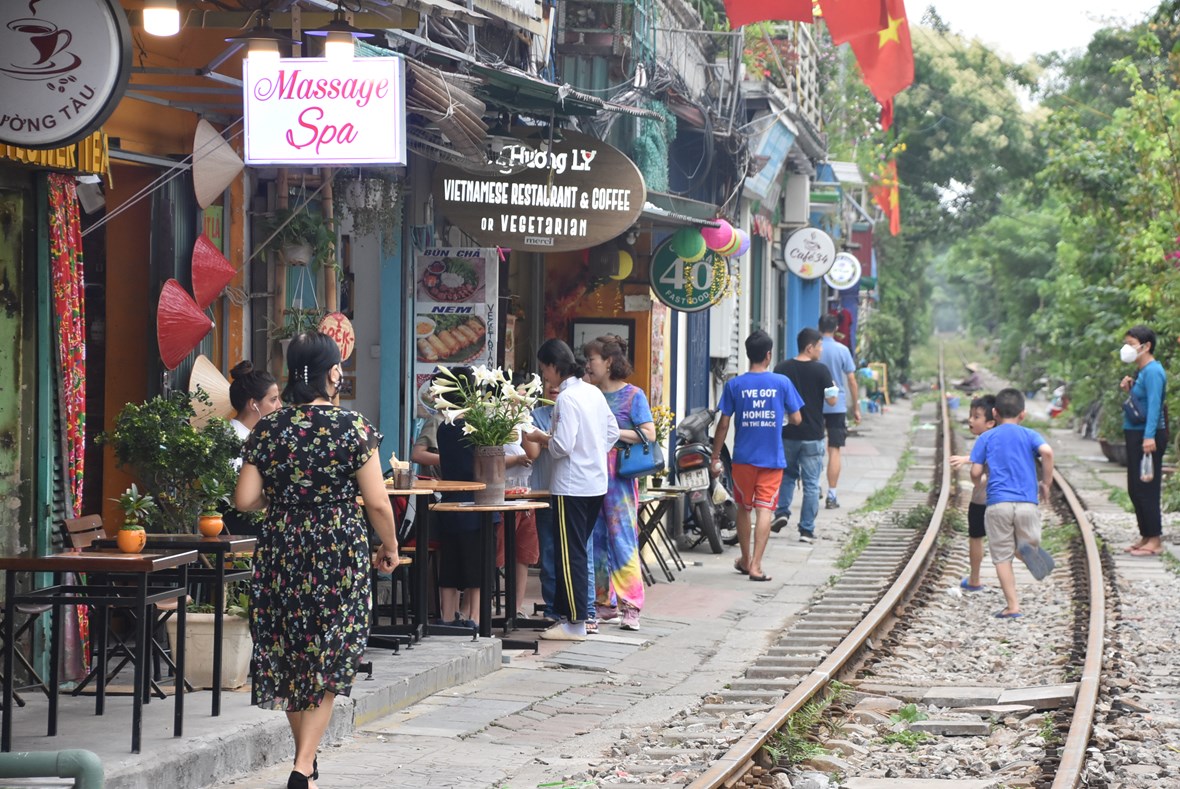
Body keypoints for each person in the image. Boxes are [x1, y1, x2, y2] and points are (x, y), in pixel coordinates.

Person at [233, 332, 399, 789]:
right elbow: (378, 504)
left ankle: (304, 759)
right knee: (329, 655)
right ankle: (303, 765)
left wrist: (284, 497)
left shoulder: (269, 427)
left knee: (290, 656)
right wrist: (391, 548)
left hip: (282, 549)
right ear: (332, 373)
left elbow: (244, 499)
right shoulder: (352, 427)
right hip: (338, 551)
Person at [525, 339, 618, 641]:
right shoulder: (592, 392)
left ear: (554, 366)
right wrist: (592, 451)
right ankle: (573, 618)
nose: (544, 377)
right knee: (577, 550)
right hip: (595, 483)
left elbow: (562, 446)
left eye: (544, 370)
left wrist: (540, 437)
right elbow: (613, 432)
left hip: (571, 486)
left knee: (570, 554)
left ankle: (575, 622)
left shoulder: (566, 399)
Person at [711, 330, 803, 582]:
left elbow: (723, 424)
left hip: (742, 460)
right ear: (769, 355)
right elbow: (797, 418)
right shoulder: (782, 383)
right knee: (765, 510)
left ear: (747, 354)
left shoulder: (735, 385)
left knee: (744, 507)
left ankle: (745, 559)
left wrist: (715, 457)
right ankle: (757, 567)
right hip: (772, 460)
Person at [584, 335, 653, 632]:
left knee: (622, 538)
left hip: (619, 476)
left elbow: (648, 433)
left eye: (592, 359)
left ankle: (631, 605)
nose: (588, 365)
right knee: (596, 538)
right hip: (590, 472)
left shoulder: (633, 395)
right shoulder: (589, 393)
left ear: (608, 362)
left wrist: (614, 432)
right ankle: (604, 602)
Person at [969, 388, 1054, 619]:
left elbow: (976, 471)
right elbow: (1046, 452)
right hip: (1027, 502)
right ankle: (1027, 549)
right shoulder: (1029, 434)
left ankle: (1013, 606)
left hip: (997, 503)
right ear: (1023, 414)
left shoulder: (986, 437)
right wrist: (1046, 483)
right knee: (1025, 541)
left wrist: (977, 482)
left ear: (994, 413)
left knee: (1001, 556)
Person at [772, 328, 837, 543]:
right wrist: (833, 389)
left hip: (787, 433)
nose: (821, 350)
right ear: (809, 347)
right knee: (811, 483)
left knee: (787, 476)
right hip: (812, 435)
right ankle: (806, 530)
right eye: (819, 346)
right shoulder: (822, 371)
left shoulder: (781, 368)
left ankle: (782, 512)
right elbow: (832, 401)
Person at [432, 366, 483, 629]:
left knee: (449, 563)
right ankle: (474, 618)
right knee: (476, 564)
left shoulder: (444, 427)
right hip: (476, 501)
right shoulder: (477, 426)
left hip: (449, 501)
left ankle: (447, 617)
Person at [1119, 325, 1168, 556]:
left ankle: (1155, 540)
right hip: (1136, 434)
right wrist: (1130, 388)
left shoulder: (1154, 372)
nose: (1127, 348)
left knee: (1146, 487)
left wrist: (1149, 436)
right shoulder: (1142, 371)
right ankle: (1146, 535)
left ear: (1145, 346)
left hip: (1148, 436)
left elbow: (1156, 406)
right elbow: (1142, 404)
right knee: (1135, 488)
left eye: (1131, 344)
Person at [949, 394, 996, 592]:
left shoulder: (983, 440)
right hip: (1002, 499)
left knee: (976, 537)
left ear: (990, 423)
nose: (970, 420)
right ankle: (1024, 555)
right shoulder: (1000, 437)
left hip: (982, 498)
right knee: (1004, 537)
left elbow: (977, 471)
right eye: (971, 415)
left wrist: (978, 478)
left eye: (976, 417)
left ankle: (975, 579)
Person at [817, 314, 860, 510]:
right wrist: (856, 406)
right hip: (837, 406)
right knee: (834, 449)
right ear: (835, 329)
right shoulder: (842, 350)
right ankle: (832, 495)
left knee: (814, 445)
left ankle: (814, 486)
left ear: (819, 328)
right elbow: (851, 379)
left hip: (815, 404)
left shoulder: (814, 349)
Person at [530, 383, 560, 619]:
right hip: (545, 493)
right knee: (548, 553)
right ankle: (551, 607)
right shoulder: (535, 415)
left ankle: (575, 607)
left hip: (573, 493)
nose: (554, 387)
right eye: (549, 382)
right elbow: (536, 450)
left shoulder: (574, 411)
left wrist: (545, 439)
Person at [228, 360, 281, 443]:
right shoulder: (231, 438)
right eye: (273, 400)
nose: (279, 406)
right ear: (253, 404)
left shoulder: (259, 434)